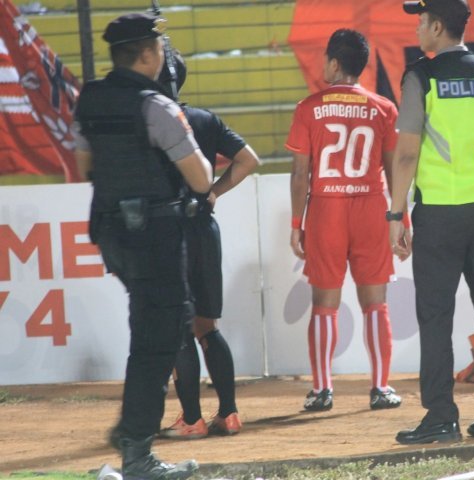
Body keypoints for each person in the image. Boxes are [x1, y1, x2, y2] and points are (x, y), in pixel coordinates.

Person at [73, 12, 212, 478]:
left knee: (148, 326)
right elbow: (201, 178)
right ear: (149, 54)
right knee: (161, 335)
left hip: (113, 234)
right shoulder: (157, 106)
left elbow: (84, 165)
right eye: (160, 48)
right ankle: (136, 451)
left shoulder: (89, 98)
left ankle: (132, 437)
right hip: (154, 234)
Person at [389, 0, 474, 444]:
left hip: (439, 216)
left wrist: (396, 213)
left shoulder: (420, 76)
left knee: (435, 317)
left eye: (421, 21)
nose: (418, 29)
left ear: (438, 25)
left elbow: (406, 153)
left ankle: (442, 417)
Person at [286, 29, 404, 412]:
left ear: (335, 63)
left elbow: (300, 174)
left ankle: (322, 390)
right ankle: (381, 388)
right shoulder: (383, 107)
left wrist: (295, 222)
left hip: (327, 208)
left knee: (324, 303)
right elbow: (393, 169)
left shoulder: (308, 108)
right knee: (376, 302)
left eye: (325, 59)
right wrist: (399, 217)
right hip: (371, 205)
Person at [155, 52, 261, 439]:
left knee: (181, 330)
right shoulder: (204, 118)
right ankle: (229, 414)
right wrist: (213, 192)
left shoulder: (150, 119)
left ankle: (192, 419)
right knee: (208, 328)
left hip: (169, 233)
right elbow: (249, 160)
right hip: (204, 228)